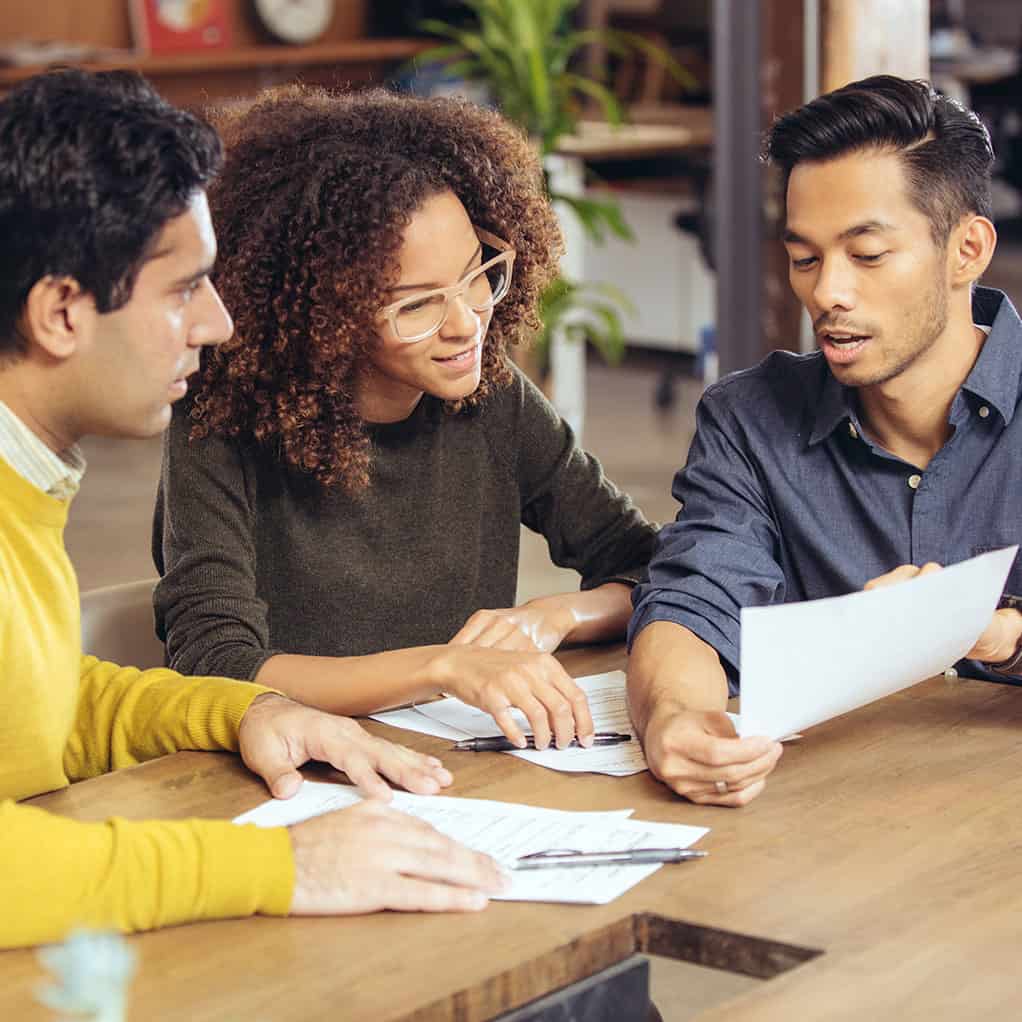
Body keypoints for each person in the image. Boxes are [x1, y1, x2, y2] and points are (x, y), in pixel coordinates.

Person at [0, 68, 508, 950]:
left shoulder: (27, 486)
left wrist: (245, 711)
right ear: (60, 313)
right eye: (182, 289)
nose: (220, 323)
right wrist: (285, 869)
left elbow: (30, 708)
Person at [151, 87, 657, 751]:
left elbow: (650, 565)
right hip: (294, 773)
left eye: (478, 275)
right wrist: (442, 667)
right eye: (414, 306)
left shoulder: (491, 397)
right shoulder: (223, 418)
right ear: (322, 319)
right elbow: (215, 666)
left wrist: (553, 616)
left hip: (451, 762)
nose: (466, 323)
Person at [627, 75, 1022, 807]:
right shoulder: (749, 419)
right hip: (829, 834)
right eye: (805, 258)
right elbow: (692, 600)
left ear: (967, 249)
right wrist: (675, 719)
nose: (827, 293)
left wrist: (994, 633)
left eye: (866, 256)